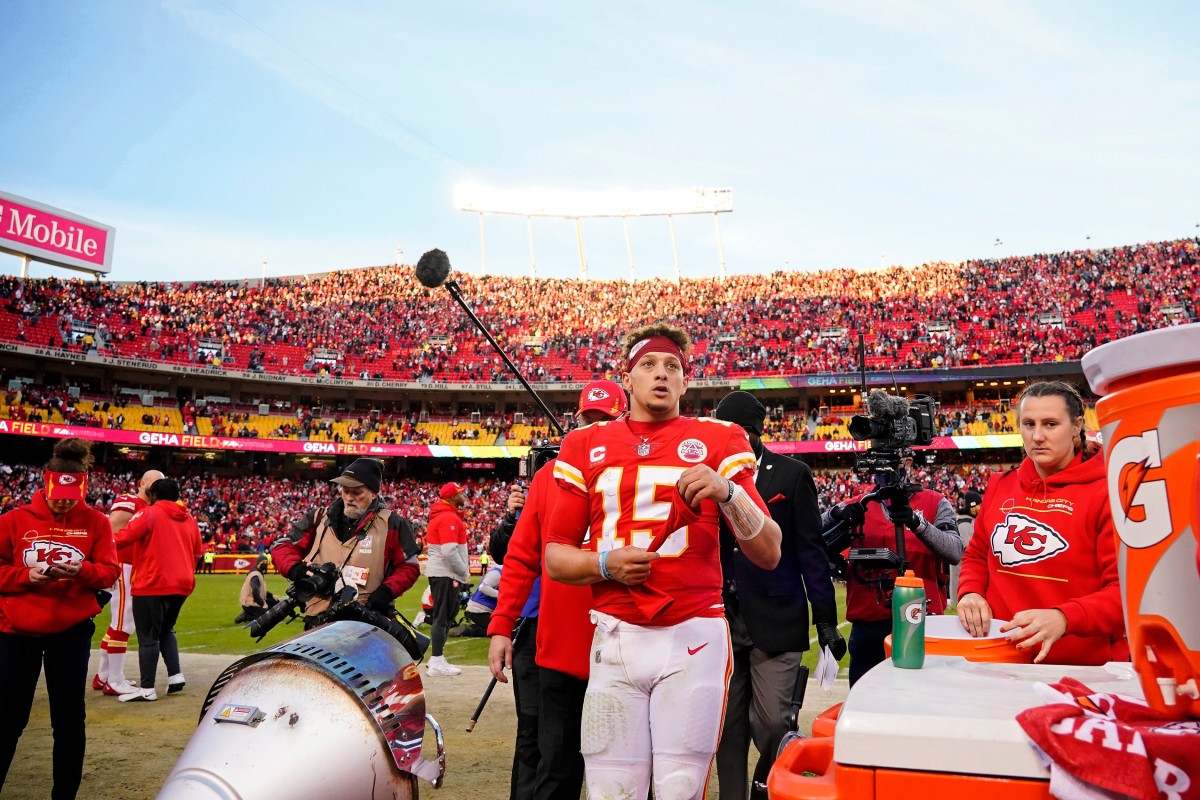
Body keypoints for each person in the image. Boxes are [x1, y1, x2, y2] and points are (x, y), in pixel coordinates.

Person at [544, 324, 782, 800]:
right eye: (649, 364)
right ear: (627, 379)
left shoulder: (718, 438)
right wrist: (606, 564)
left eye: (672, 366)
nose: (661, 374)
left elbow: (769, 550)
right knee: (611, 791)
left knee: (680, 788)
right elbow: (555, 556)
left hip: (692, 633)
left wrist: (728, 492)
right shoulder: (584, 443)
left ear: (685, 382)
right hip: (615, 634)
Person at [487, 379, 629, 800]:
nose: (593, 428)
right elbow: (520, 556)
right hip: (562, 650)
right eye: (588, 420)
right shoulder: (549, 476)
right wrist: (501, 625)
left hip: (627, 647)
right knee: (557, 769)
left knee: (625, 774)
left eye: (604, 420)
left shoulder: (642, 472)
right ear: (576, 420)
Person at [712, 391, 845, 800]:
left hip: (778, 614)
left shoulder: (792, 473)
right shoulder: (706, 474)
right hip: (721, 618)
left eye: (741, 430)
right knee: (726, 729)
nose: (735, 437)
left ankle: (765, 787)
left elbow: (811, 551)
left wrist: (825, 619)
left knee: (773, 723)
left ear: (756, 431)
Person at [957, 381, 1127, 664]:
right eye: (1028, 424)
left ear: (1076, 426)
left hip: (1082, 669)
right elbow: (977, 554)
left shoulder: (1108, 491)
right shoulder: (1000, 485)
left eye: (1050, 424)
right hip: (1000, 661)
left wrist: (1064, 617)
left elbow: (1125, 592)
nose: (1037, 436)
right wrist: (971, 592)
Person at [0, 438, 119, 800]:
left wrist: (82, 572)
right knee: (7, 717)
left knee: (68, 720)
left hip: (70, 631)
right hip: (15, 631)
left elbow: (109, 572)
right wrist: (25, 576)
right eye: (58, 497)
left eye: (71, 497)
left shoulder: (96, 522)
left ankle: (64, 795)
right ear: (45, 484)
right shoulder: (13, 520)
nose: (64, 503)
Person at [823, 459, 962, 686]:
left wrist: (917, 523)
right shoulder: (859, 504)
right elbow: (809, 534)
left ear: (907, 461)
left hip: (922, 623)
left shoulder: (935, 501)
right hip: (869, 625)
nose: (883, 468)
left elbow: (954, 551)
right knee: (867, 703)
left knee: (921, 699)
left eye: (890, 461)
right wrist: (835, 514)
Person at [271, 457, 421, 628]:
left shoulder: (393, 524)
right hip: (318, 621)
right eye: (345, 490)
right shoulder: (318, 518)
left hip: (367, 619)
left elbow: (409, 566)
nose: (349, 497)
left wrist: (387, 591)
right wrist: (294, 568)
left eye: (357, 492)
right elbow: (282, 546)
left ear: (373, 493)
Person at [113, 478, 205, 702]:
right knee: (166, 629)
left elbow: (123, 538)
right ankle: (175, 675)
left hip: (152, 582)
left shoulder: (148, 513)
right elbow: (198, 552)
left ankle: (147, 689)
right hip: (182, 583)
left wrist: (95, 544)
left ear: (154, 495)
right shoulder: (189, 518)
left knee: (148, 637)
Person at [93, 468, 163, 697]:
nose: (155, 490)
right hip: (124, 566)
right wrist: (109, 563)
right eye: (152, 484)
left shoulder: (151, 507)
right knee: (124, 623)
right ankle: (114, 680)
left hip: (133, 567)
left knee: (119, 623)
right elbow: (112, 528)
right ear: (141, 483)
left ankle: (104, 675)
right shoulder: (130, 501)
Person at [425, 481, 471, 676]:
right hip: (445, 573)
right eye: (459, 493)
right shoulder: (448, 518)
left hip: (445, 573)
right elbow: (449, 551)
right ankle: (436, 659)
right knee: (443, 617)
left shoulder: (446, 516)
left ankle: (437, 658)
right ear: (452, 497)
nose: (463, 496)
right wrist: (463, 572)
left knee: (446, 616)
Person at [948, 490, 981, 605]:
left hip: (965, 578)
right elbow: (971, 550)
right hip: (963, 578)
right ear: (972, 507)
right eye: (979, 505)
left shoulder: (968, 521)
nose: (981, 508)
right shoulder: (965, 523)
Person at [452, 561, 500, 637]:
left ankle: (474, 627)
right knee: (497, 630)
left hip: (485, 610)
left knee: (503, 628)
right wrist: (501, 595)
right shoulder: (497, 573)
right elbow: (483, 587)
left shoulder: (499, 572)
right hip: (478, 611)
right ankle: (468, 630)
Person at [235, 555, 275, 624]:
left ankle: (249, 613)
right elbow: (255, 590)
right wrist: (262, 603)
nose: (265, 564)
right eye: (263, 562)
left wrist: (271, 595)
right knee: (265, 617)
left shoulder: (257, 573)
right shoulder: (256, 575)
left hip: (253, 600)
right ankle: (246, 616)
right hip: (250, 602)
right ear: (259, 563)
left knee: (274, 601)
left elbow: (260, 590)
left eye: (266, 562)